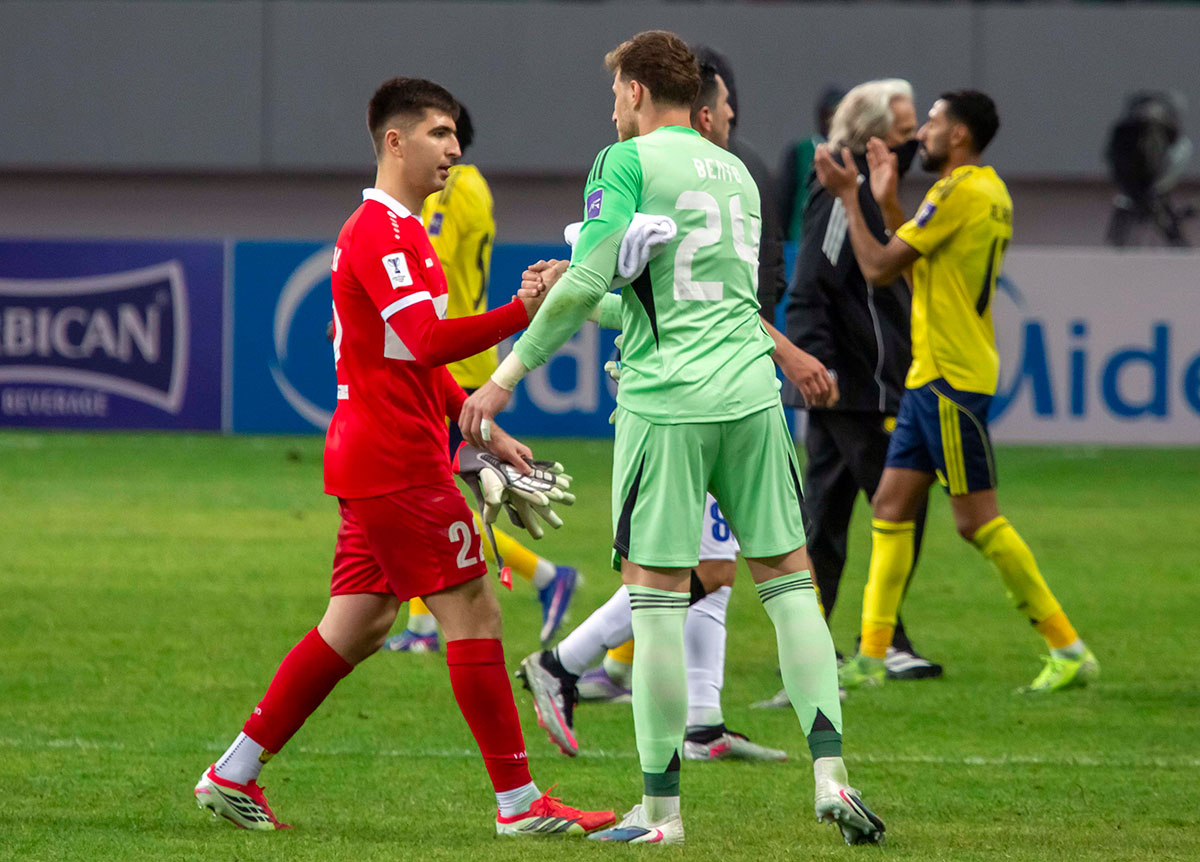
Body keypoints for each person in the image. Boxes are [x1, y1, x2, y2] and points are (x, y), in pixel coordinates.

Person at [459, 31, 883, 846]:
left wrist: (508, 374)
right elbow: (687, 301)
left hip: (670, 403)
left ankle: (659, 813)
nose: (612, 106)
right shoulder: (737, 171)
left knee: (656, 602)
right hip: (753, 399)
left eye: (616, 91)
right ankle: (831, 775)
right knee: (790, 585)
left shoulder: (623, 162)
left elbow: (595, 280)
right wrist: (590, 288)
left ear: (640, 94)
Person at [192, 77, 614, 838]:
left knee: (355, 626)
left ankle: (233, 772)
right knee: (476, 608)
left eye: (456, 137)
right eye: (439, 134)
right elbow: (423, 341)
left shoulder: (409, 233)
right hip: (396, 463)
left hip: (388, 454)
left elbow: (412, 359)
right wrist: (523, 312)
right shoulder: (381, 231)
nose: (454, 149)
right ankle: (520, 807)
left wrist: (477, 425)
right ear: (395, 141)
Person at [516, 53, 834, 766]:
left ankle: (697, 723)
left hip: (718, 390)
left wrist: (576, 283)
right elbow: (672, 297)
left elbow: (698, 299)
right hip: (690, 398)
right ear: (701, 106)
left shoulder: (727, 177)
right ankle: (569, 668)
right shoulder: (668, 169)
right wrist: (786, 352)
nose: (722, 121)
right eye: (716, 110)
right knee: (700, 574)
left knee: (711, 572)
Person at [813, 90, 1099, 694]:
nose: (924, 133)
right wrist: (888, 199)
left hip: (950, 379)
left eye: (935, 121)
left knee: (976, 521)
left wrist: (850, 196)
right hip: (932, 377)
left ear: (961, 135)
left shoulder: (955, 190)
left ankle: (1067, 646)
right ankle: (871, 654)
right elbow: (924, 270)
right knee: (890, 507)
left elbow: (879, 267)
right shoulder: (991, 193)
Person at [385, 104, 578, 654]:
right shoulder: (468, 188)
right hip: (453, 353)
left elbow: (433, 264)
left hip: (457, 359)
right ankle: (423, 628)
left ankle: (546, 576)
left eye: (441, 132)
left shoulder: (456, 190)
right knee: (430, 487)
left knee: (432, 491)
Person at [779, 79, 940, 698]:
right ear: (874, 134)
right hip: (856, 387)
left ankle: (812, 645)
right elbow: (813, 282)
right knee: (899, 505)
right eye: (904, 125)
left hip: (857, 384)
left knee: (827, 516)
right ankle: (884, 641)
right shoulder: (840, 196)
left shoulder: (878, 192)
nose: (914, 135)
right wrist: (817, 366)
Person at [779, 87, 844, 242]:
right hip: (800, 238)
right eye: (829, 115)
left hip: (836, 239)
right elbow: (784, 200)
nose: (832, 122)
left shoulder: (850, 153)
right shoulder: (800, 151)